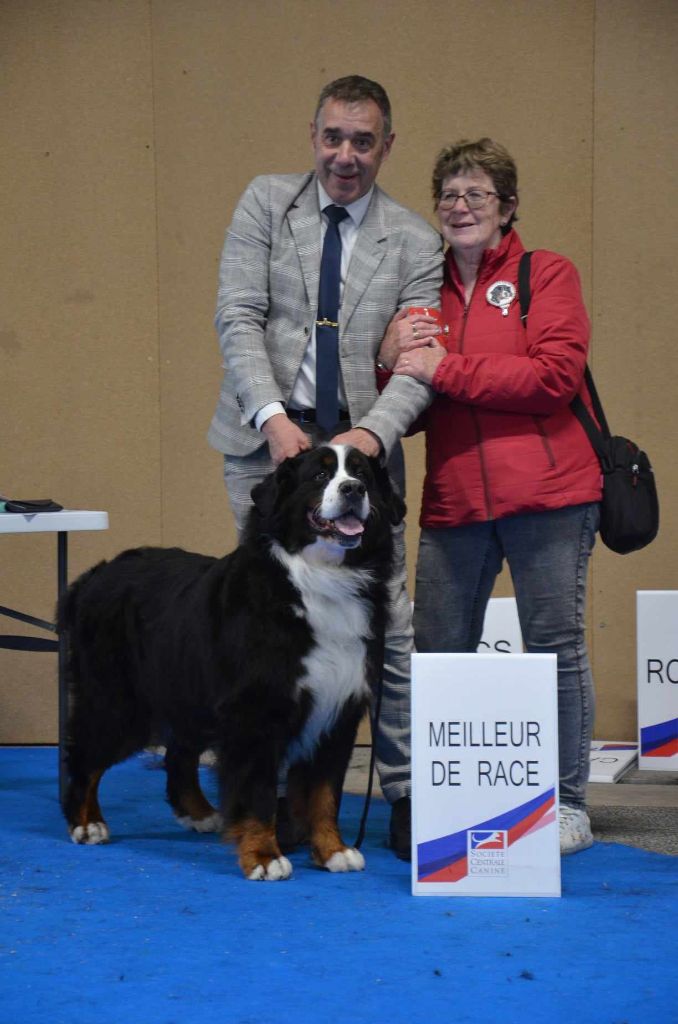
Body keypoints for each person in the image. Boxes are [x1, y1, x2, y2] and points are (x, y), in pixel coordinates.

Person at [207, 75, 444, 859]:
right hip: (268, 453)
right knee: (262, 634)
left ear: (386, 146)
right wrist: (274, 421)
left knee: (389, 635)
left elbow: (419, 363)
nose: (346, 155)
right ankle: (264, 793)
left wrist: (371, 441)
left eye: (363, 141)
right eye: (333, 138)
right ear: (313, 135)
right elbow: (237, 314)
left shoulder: (414, 240)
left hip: (363, 461)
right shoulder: (265, 203)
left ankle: (405, 797)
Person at [378, 138, 602, 855]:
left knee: (555, 650)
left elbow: (554, 378)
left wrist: (447, 369)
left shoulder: (546, 273)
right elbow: (409, 400)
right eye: (448, 194)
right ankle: (444, 800)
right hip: (453, 503)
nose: (460, 206)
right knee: (438, 655)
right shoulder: (423, 288)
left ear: (508, 207)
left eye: (477, 194)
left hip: (550, 496)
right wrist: (388, 361)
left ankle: (568, 805)